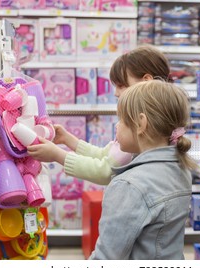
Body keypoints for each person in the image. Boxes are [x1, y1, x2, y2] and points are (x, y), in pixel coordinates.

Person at [27, 45, 173, 185]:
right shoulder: (154, 119)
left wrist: (57, 155)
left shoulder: (143, 125)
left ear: (146, 81)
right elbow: (107, 155)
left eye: (121, 85)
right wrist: (68, 139)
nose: (116, 93)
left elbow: (105, 170)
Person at [89, 80, 196, 259]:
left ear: (141, 123)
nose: (117, 125)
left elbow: (107, 258)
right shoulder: (180, 168)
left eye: (121, 119)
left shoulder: (129, 186)